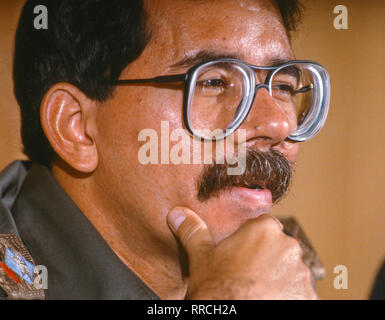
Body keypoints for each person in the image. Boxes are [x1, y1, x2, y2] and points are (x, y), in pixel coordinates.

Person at [0, 0, 330, 299]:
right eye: (213, 82)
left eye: (284, 86)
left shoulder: (286, 271)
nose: (278, 124)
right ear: (77, 128)